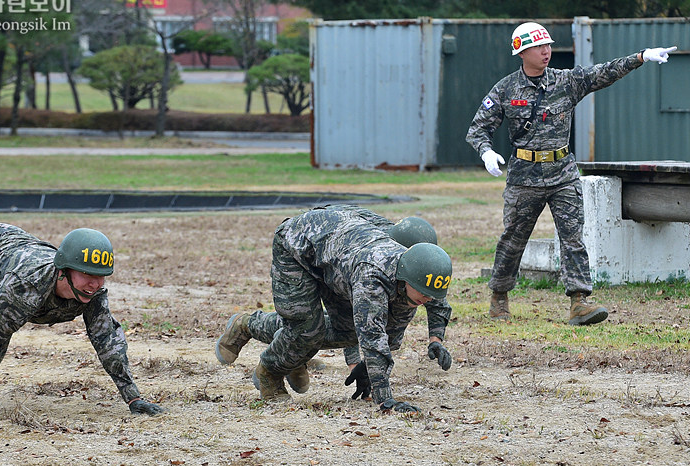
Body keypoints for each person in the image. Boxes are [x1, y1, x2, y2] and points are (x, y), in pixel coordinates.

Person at [466, 21, 677, 325]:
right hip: (524, 177)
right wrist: (486, 151)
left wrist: (641, 56)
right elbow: (478, 128)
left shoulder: (567, 81)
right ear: (521, 52)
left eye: (548, 45)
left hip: (562, 173)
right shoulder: (506, 88)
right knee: (513, 239)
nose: (546, 51)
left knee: (573, 238)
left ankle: (580, 302)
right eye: (539, 47)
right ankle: (499, 297)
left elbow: (603, 72)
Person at [0, 216, 164, 418]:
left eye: (99, 276)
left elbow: (108, 342)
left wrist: (133, 399)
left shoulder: (91, 293)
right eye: (86, 275)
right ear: (64, 270)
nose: (94, 284)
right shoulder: (27, 284)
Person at [217, 207, 453, 413]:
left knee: (344, 332)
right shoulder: (373, 274)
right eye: (424, 294)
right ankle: (268, 368)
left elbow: (391, 330)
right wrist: (385, 400)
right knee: (305, 328)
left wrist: (434, 340)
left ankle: (292, 352)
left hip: (334, 260)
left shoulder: (414, 272)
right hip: (298, 246)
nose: (428, 299)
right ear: (406, 276)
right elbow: (371, 334)